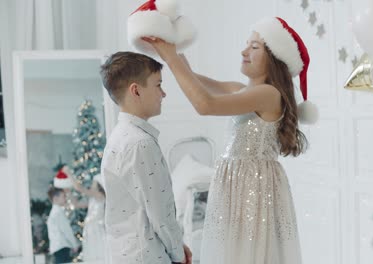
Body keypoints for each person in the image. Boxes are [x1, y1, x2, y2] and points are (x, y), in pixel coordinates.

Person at [142, 16, 315, 264]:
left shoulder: (268, 94)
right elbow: (194, 81)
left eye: (254, 47)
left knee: (249, 253)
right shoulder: (241, 90)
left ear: (274, 59)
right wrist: (172, 51)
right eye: (247, 44)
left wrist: (171, 57)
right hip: (237, 184)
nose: (244, 51)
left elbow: (205, 104)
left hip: (252, 188)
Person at [99, 51, 192, 264]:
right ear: (136, 91)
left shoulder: (119, 136)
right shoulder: (140, 144)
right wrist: (178, 253)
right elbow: (161, 214)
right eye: (158, 85)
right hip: (147, 256)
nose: (163, 94)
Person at [65, 168, 107, 262]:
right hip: (90, 229)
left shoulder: (99, 195)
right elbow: (76, 204)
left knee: (98, 253)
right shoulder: (93, 198)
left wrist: (69, 174)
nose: (92, 185)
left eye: (94, 183)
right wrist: (69, 192)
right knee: (92, 254)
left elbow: (79, 188)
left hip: (97, 229)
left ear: (99, 186)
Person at [47, 186, 80, 264]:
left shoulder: (54, 212)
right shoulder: (58, 213)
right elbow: (66, 230)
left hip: (57, 247)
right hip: (62, 247)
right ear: (55, 198)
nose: (65, 199)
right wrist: (74, 245)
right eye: (63, 196)